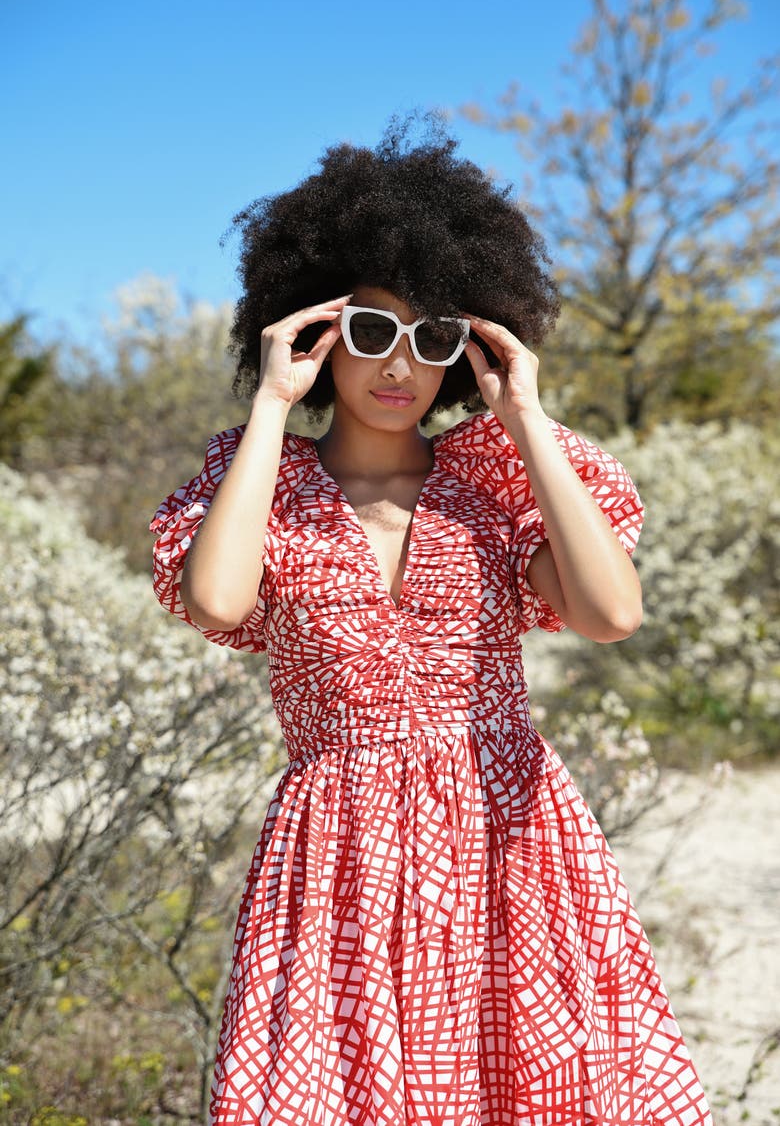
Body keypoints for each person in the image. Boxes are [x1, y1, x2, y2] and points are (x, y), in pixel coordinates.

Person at [150, 116, 713, 1126]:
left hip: (512, 844)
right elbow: (217, 600)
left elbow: (613, 611)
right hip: (337, 860)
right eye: (370, 329)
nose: (400, 363)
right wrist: (277, 406)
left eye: (434, 335)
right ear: (315, 328)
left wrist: (526, 416)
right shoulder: (261, 490)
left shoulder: (495, 485)